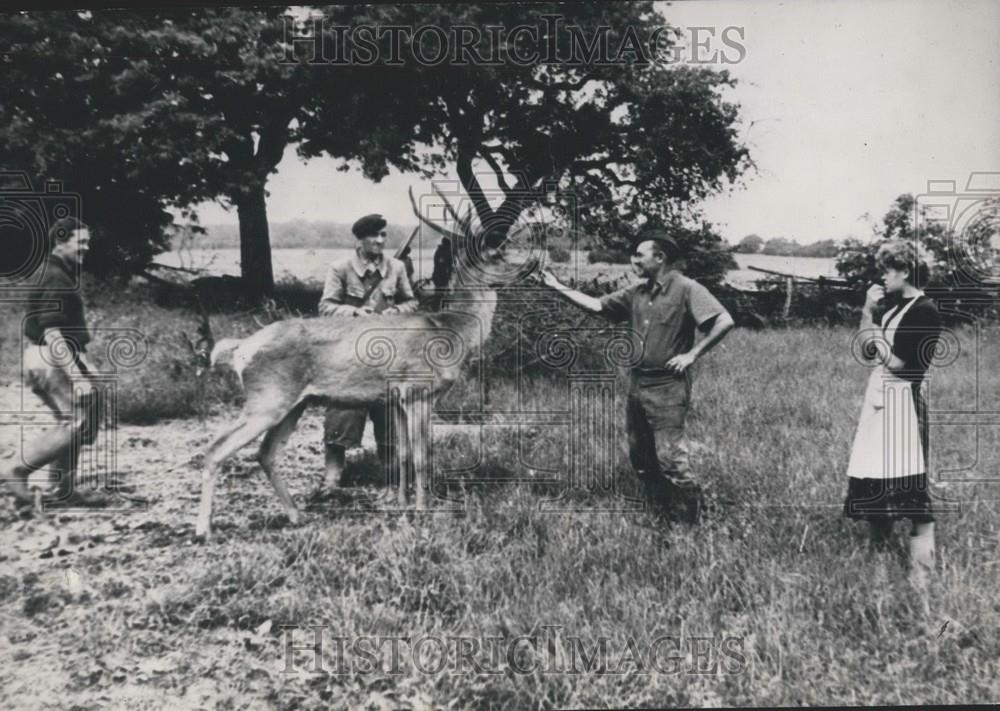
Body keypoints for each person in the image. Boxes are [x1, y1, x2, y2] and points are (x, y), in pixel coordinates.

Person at [539, 230, 735, 522]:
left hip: (668, 387)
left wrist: (691, 355)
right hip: (637, 384)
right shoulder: (636, 292)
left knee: (670, 457)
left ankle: (692, 522)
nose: (634, 260)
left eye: (640, 255)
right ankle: (661, 510)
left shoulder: (687, 288)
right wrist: (555, 286)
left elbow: (724, 320)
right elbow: (596, 306)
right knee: (641, 456)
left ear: (660, 257)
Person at [844, 240, 942, 591]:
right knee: (874, 488)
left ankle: (921, 577)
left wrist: (877, 338)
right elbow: (867, 347)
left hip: (904, 407)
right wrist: (868, 313)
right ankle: (877, 571)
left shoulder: (925, 311)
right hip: (879, 403)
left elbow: (904, 366)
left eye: (887, 270)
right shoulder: (891, 308)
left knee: (914, 498)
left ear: (904, 270)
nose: (883, 277)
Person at [4, 217, 105, 508]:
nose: (86, 248)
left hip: (49, 357)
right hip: (52, 358)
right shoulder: (56, 277)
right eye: (81, 242)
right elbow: (51, 331)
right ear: (62, 242)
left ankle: (64, 490)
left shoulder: (56, 272)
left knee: (73, 422)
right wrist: (78, 376)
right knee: (76, 423)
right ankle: (16, 469)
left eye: (87, 241)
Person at [317, 213, 418, 492]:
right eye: (374, 235)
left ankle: (390, 474)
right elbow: (325, 307)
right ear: (360, 239)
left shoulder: (396, 268)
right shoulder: (340, 268)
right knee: (341, 410)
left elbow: (411, 302)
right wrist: (355, 312)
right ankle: (332, 477)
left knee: (389, 411)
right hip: (349, 353)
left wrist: (395, 312)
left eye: (383, 235)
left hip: (386, 353)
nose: (380, 240)